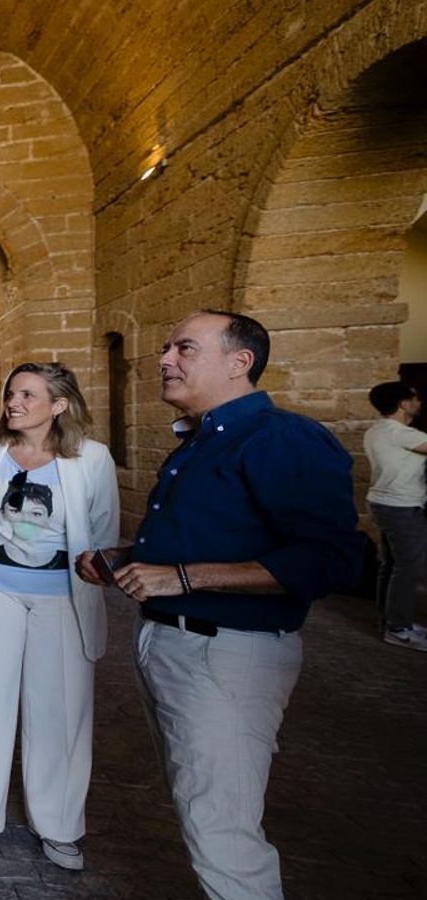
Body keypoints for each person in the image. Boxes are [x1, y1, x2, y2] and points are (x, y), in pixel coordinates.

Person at [76, 310, 362, 900]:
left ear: (240, 363)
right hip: (174, 643)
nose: (164, 360)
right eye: (165, 348)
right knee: (200, 808)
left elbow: (331, 560)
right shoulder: (201, 441)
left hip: (228, 655)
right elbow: (212, 540)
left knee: (222, 831)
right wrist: (128, 559)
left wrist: (180, 577)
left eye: (185, 348)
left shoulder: (284, 438)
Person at [0, 363, 118, 872]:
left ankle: (59, 824)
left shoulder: (92, 459)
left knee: (59, 707)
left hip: (63, 597)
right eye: (11, 393)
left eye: (28, 395)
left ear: (59, 405)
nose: (13, 402)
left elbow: (101, 529)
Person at [363, 381, 427, 650]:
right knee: (410, 568)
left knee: (390, 564)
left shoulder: (378, 430)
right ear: (403, 403)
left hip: (383, 503)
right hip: (400, 507)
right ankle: (398, 628)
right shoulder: (399, 432)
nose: (419, 402)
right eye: (415, 398)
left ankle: (390, 620)